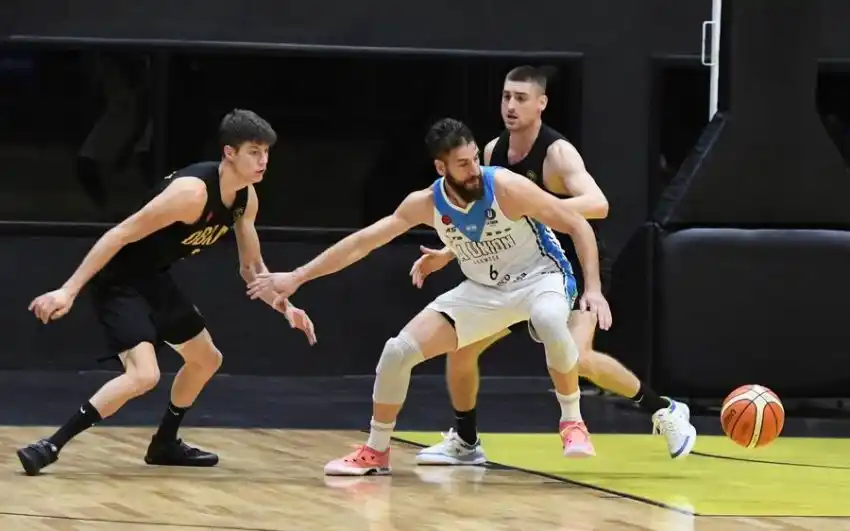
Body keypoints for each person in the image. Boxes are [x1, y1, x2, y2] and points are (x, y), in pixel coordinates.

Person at [247, 118, 612, 476]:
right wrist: (297, 277)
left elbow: (578, 224)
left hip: (540, 277)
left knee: (550, 320)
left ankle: (572, 420)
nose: (474, 170)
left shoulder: (505, 185)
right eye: (463, 164)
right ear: (441, 167)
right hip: (485, 289)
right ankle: (376, 450)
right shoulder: (425, 203)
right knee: (397, 351)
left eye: (475, 160)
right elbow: (362, 243)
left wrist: (593, 289)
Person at [409, 66, 696, 466]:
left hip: (572, 265)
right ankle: (466, 441)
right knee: (461, 350)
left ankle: (665, 409)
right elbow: (486, 221)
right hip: (520, 269)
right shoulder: (490, 152)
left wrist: (536, 208)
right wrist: (448, 251)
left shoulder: (557, 154)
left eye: (521, 98)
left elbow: (598, 204)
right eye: (506, 96)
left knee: (577, 359)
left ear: (541, 103)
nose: (511, 105)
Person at [18, 109, 316, 476]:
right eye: (254, 151)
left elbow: (252, 271)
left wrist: (286, 308)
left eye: (266, 152)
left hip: (154, 278)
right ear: (229, 153)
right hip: (119, 281)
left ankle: (165, 443)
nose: (263, 160)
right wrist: (68, 290)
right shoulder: (191, 194)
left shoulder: (245, 199)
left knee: (207, 359)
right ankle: (50, 445)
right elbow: (120, 233)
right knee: (145, 376)